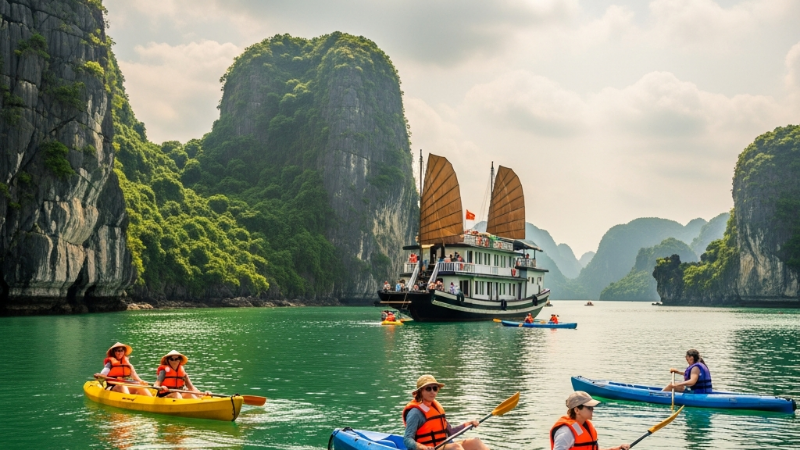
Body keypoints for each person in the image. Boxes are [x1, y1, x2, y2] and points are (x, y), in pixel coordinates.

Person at [403, 375, 489, 450]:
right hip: (428, 448)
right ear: (420, 392)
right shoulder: (415, 413)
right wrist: (423, 447)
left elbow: (451, 432)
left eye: (435, 388)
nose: (432, 391)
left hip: (443, 445)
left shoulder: (436, 409)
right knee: (456, 447)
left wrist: (469, 424)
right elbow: (407, 439)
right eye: (428, 388)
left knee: (476, 443)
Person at [550, 391, 629, 450]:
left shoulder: (586, 426)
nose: (592, 409)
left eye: (592, 407)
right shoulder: (566, 433)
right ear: (577, 410)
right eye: (589, 407)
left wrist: (618, 448)